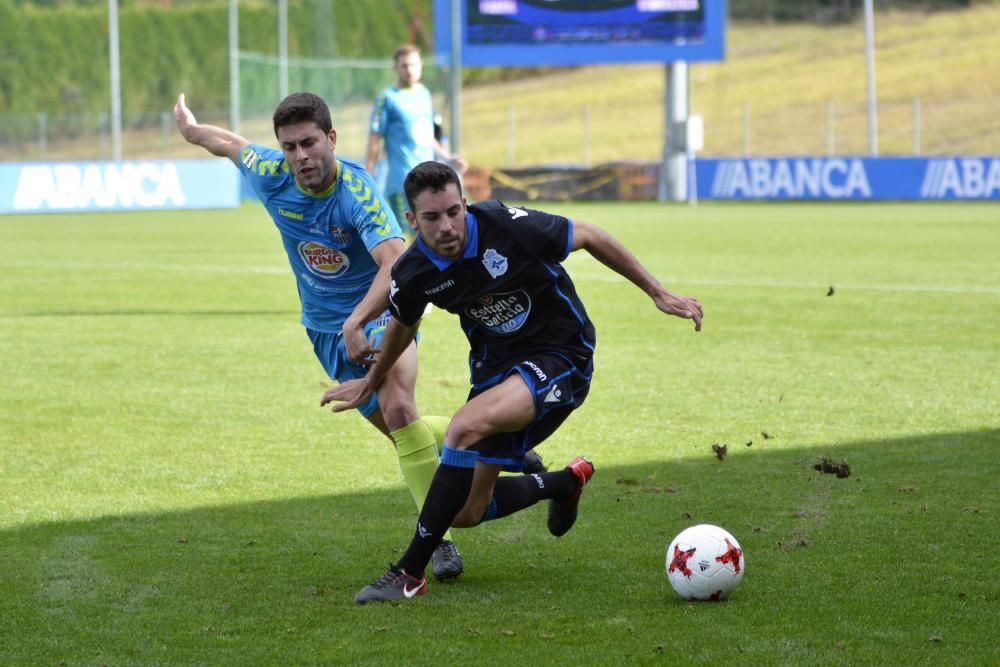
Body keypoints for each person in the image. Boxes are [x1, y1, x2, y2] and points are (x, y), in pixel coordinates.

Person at [321, 161, 704, 603]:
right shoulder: (413, 273)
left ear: (464, 204)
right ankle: (563, 484)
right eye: (432, 217)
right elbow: (402, 327)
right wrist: (370, 383)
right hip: (495, 370)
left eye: (453, 212)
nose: (446, 226)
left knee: (463, 428)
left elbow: (590, 235)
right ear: (412, 220)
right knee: (466, 512)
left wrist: (657, 292)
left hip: (561, 354)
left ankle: (409, 572)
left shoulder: (507, 226)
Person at [172, 92, 468, 580]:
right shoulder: (271, 175)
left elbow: (395, 264)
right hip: (323, 331)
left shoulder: (355, 190)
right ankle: (481, 429)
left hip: (382, 313)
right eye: (289, 147)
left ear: (331, 138)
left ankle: (439, 543)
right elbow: (230, 143)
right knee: (405, 432)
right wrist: (190, 130)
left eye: (309, 143)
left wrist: (357, 321)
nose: (300, 156)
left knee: (398, 407)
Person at [366, 44, 467, 241]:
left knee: (433, 237)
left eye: (413, 64)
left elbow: (426, 136)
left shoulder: (424, 93)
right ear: (396, 68)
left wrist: (448, 158)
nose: (409, 70)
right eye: (404, 65)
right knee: (416, 237)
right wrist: (368, 177)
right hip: (402, 182)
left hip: (429, 181)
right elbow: (374, 140)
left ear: (420, 65)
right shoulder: (386, 98)